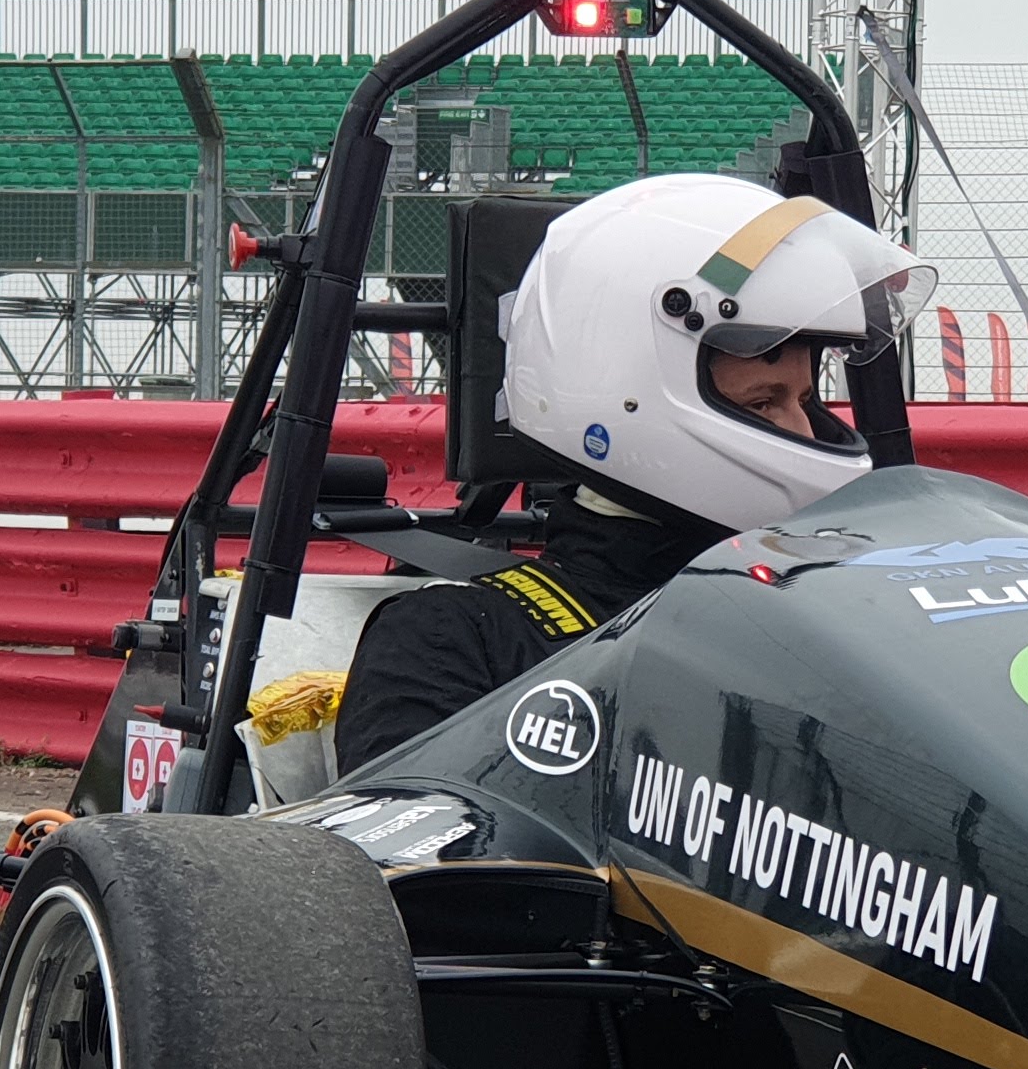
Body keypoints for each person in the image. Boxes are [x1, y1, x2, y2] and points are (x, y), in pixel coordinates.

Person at [334, 173, 930, 771]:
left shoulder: (827, 616)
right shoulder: (456, 639)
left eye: (805, 401)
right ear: (624, 387)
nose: (803, 434)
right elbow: (415, 852)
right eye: (763, 402)